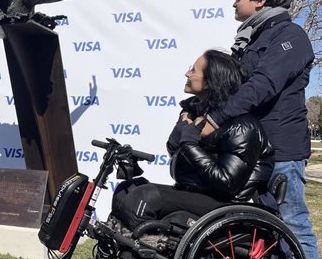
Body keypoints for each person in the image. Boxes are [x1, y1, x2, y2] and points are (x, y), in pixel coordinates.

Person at [199, 0, 322, 259]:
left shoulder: (291, 37)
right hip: (255, 148)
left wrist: (217, 119)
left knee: (293, 223)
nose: (235, 2)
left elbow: (262, 85)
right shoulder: (252, 38)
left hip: (282, 149)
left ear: (261, 1)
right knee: (264, 226)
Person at [112, 50, 274, 229]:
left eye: (194, 70)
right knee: (126, 190)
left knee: (144, 198)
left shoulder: (242, 126)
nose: (187, 74)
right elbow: (181, 159)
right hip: (195, 192)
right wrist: (176, 140)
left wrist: (189, 144)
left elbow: (226, 184)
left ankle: (145, 249)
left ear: (210, 81)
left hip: (225, 204)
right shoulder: (196, 114)